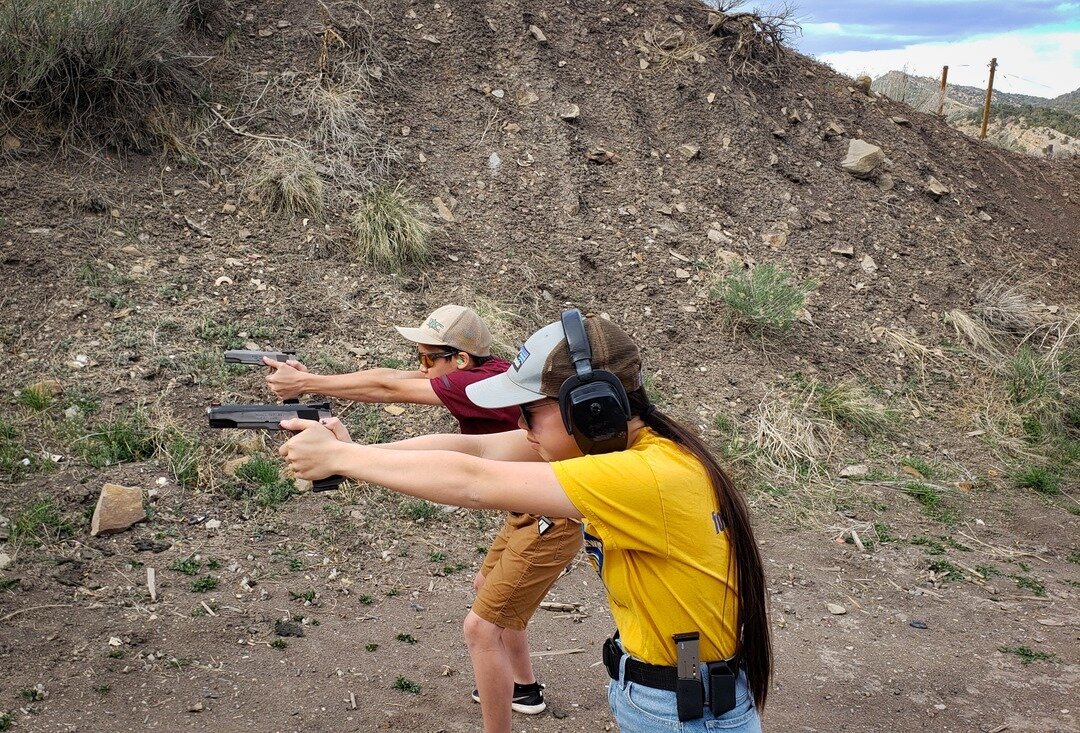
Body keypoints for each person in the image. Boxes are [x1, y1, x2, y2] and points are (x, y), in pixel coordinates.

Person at [278, 309, 773, 732]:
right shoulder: (640, 449)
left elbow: (472, 480)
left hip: (684, 711)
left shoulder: (644, 474)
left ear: (589, 409)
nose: (519, 425)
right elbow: (475, 446)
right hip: (669, 694)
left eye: (528, 412)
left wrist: (345, 462)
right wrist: (351, 452)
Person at [264, 304, 582, 731]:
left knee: (481, 629)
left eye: (428, 358)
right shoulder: (486, 372)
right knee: (488, 589)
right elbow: (393, 378)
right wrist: (347, 446)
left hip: (551, 518)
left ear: (460, 360)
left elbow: (398, 398)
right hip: (527, 509)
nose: (420, 368)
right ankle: (523, 687)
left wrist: (308, 388)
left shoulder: (472, 385)